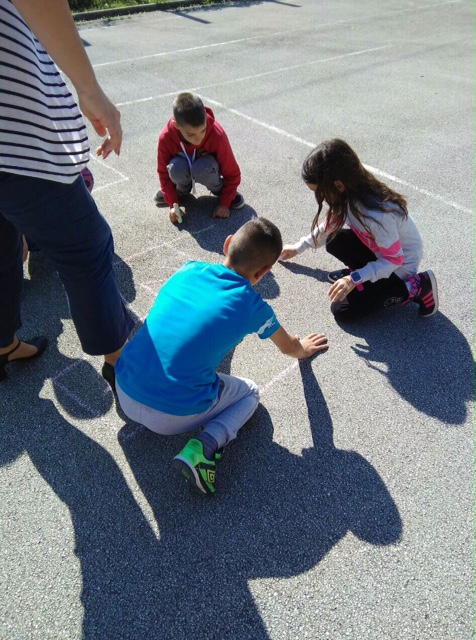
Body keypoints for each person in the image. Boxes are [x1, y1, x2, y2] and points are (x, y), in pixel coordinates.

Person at [115, 217, 328, 496]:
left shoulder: (189, 269)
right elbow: (289, 347)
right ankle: (204, 448)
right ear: (264, 272)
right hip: (171, 415)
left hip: (124, 388)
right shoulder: (253, 306)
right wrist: (304, 347)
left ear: (227, 244)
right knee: (249, 392)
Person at [0, 0, 133, 383]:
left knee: (3, 246)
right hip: (15, 140)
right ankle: (119, 363)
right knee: (87, 247)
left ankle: (3, 344)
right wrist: (89, 88)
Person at [280, 139, 439, 321]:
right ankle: (363, 275)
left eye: (319, 192)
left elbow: (394, 260)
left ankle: (416, 287)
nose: (320, 198)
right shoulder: (348, 195)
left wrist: (354, 278)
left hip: (400, 267)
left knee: (342, 310)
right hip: (380, 253)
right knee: (334, 240)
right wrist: (298, 247)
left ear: (339, 185)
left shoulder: (378, 216)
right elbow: (328, 227)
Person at [154, 92, 245, 223]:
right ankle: (178, 191)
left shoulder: (216, 134)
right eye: (191, 135)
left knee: (202, 167)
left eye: (203, 130)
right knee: (176, 168)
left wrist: (225, 202)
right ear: (176, 125)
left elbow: (232, 172)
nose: (199, 139)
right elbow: (163, 173)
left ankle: (222, 191)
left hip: (206, 168)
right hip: (182, 167)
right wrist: (173, 203)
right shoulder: (166, 137)